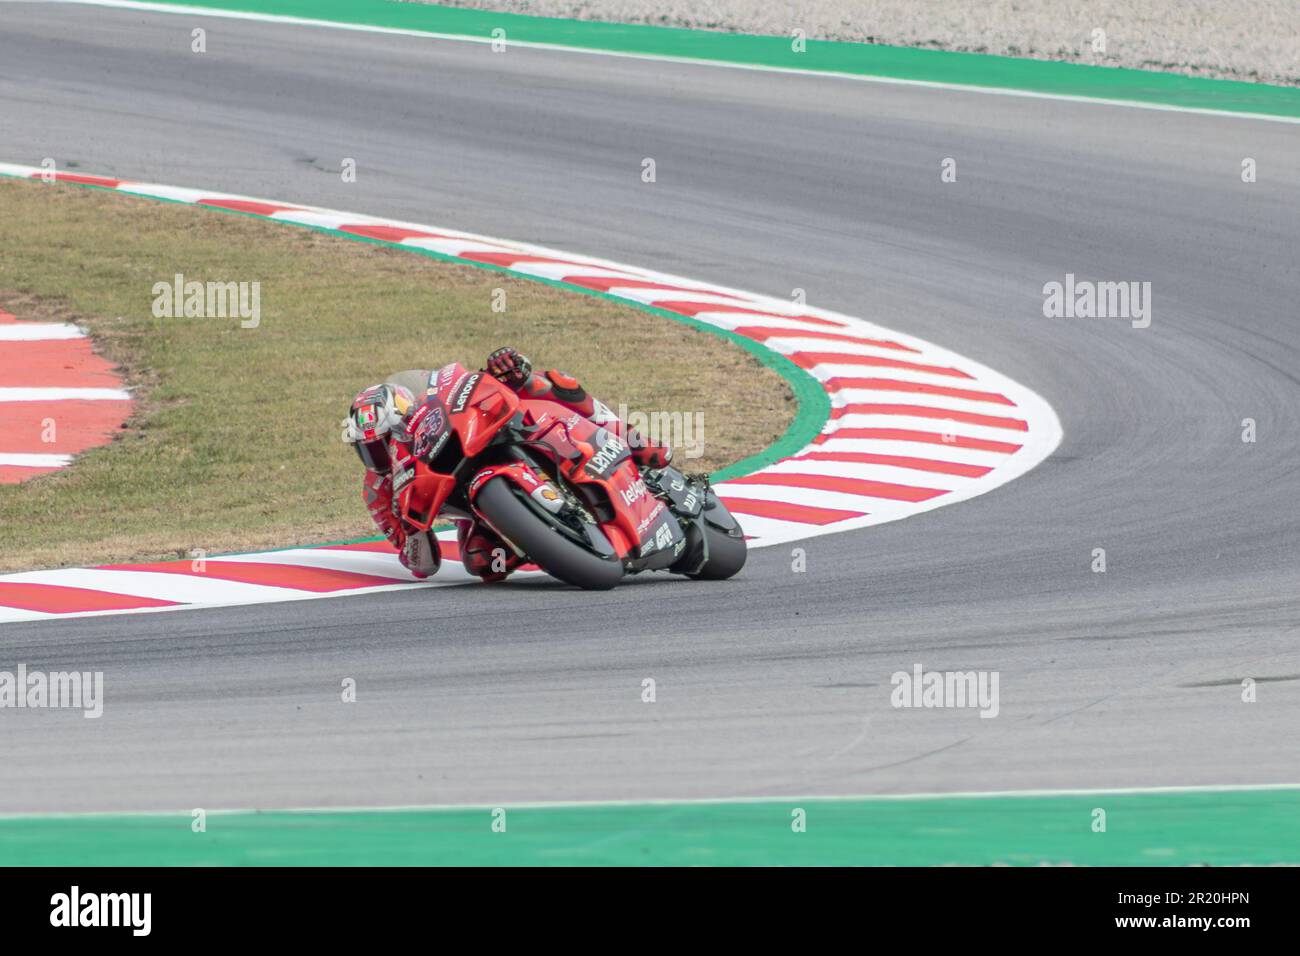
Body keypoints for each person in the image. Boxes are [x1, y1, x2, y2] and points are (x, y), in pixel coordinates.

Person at [346, 347, 672, 583]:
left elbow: (462, 388)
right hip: (473, 508)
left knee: (548, 382)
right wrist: (412, 534)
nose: (383, 452)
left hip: (502, 437)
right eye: (372, 449)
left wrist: (505, 370)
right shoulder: (378, 492)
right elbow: (421, 564)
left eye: (386, 440)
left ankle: (632, 439)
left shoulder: (429, 405)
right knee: (484, 564)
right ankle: (544, 542)